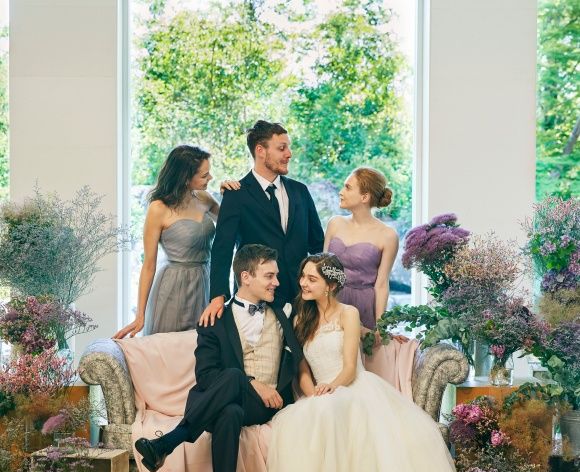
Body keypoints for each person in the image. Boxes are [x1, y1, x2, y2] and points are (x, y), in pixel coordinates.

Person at [266, 253, 519, 472]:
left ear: (330, 285)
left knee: (326, 414)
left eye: (311, 278)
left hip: (350, 387)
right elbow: (303, 370)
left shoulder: (348, 314)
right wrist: (313, 395)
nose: (303, 283)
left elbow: (349, 367)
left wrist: (331, 389)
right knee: (302, 421)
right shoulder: (300, 319)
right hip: (319, 394)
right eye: (303, 277)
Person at [134, 244, 302, 472]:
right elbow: (207, 377)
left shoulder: (284, 312)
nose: (277, 282)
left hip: (267, 407)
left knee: (235, 379)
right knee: (229, 413)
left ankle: (168, 443)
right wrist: (252, 383)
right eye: (269, 276)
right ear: (246, 277)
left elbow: (322, 315)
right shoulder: (214, 320)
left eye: (276, 276)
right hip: (227, 404)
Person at [200, 120, 324, 326]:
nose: (289, 154)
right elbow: (222, 248)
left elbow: (318, 245)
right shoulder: (235, 195)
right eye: (281, 148)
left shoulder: (300, 191)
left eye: (288, 148)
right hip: (256, 299)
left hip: (302, 299)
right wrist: (218, 296)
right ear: (260, 151)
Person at [324, 167, 417, 397]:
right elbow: (321, 269)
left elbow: (382, 283)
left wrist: (380, 327)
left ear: (364, 197)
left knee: (359, 372)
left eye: (348, 187)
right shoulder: (335, 223)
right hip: (331, 301)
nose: (341, 191)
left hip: (363, 305)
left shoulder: (387, 235)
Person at [114, 145, 219, 339]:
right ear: (186, 178)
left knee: (202, 346)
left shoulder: (205, 199)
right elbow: (148, 265)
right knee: (167, 345)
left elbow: (231, 223)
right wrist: (140, 315)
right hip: (173, 286)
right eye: (204, 175)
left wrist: (233, 193)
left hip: (204, 281)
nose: (210, 178)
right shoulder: (158, 209)